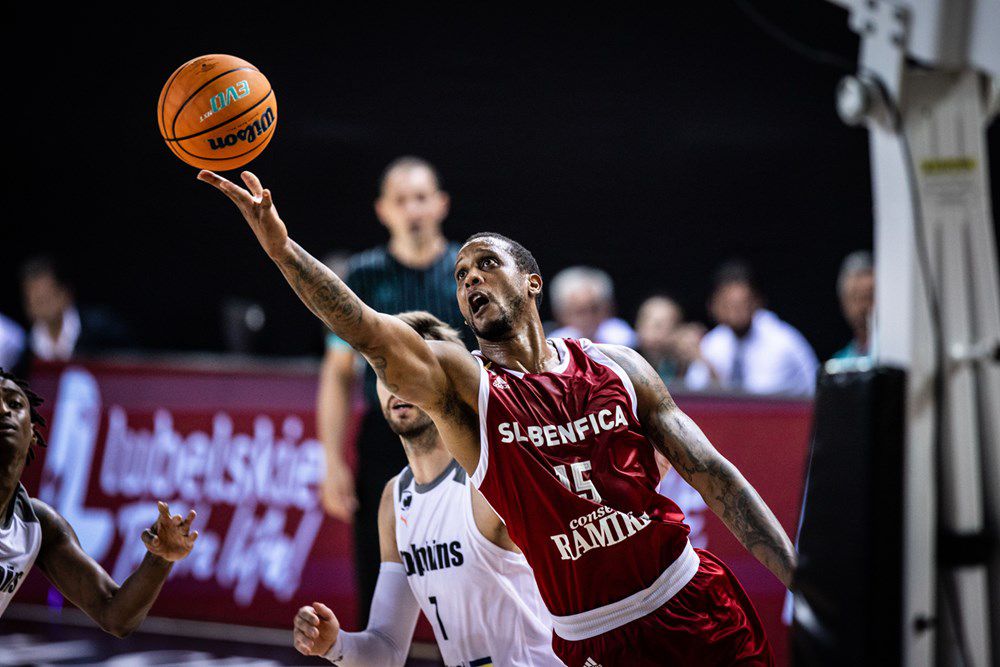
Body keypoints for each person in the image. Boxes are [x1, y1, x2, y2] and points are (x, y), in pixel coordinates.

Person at [201, 169, 795, 666]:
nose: (470, 279)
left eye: (485, 264)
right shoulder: (470, 391)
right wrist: (281, 250)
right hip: (593, 636)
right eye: (460, 277)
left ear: (532, 283)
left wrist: (803, 580)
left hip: (691, 597)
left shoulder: (617, 365)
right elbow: (366, 329)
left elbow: (714, 475)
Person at [293, 312, 560, 666]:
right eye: (383, 371)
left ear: (447, 378)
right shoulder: (396, 497)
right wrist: (334, 645)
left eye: (409, 370)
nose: (396, 384)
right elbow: (386, 648)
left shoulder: (490, 475)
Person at [315, 157, 469, 624]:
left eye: (421, 197)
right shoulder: (361, 277)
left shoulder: (469, 271)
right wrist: (331, 461)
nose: (412, 209)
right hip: (387, 437)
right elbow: (338, 374)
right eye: (401, 200)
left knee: (469, 582)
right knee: (380, 574)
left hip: (461, 437)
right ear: (384, 210)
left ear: (441, 204)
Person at [0, 369, 198, 632]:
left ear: (33, 433)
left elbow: (115, 614)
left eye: (14, 403)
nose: (3, 410)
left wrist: (160, 559)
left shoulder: (37, 525)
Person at [685, 261, 818, 396]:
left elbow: (756, 402)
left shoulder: (783, 340)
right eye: (728, 305)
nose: (736, 312)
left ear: (757, 302)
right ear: (713, 306)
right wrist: (704, 363)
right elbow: (694, 395)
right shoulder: (713, 343)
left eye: (742, 303)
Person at [20, 257, 132, 362]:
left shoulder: (101, 329)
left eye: (45, 299)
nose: (39, 308)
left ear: (65, 294)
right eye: (32, 301)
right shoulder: (25, 347)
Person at [548, 266, 636, 347]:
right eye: (580, 312)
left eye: (594, 309)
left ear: (609, 309)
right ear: (561, 314)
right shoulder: (552, 348)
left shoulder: (626, 342)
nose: (588, 318)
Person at [831, 250, 874, 361]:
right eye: (855, 298)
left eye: (868, 297)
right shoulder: (839, 363)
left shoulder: (896, 353)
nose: (862, 308)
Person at [634, 295, 684, 383]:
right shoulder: (623, 363)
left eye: (658, 326)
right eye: (658, 326)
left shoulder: (686, 366)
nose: (649, 333)